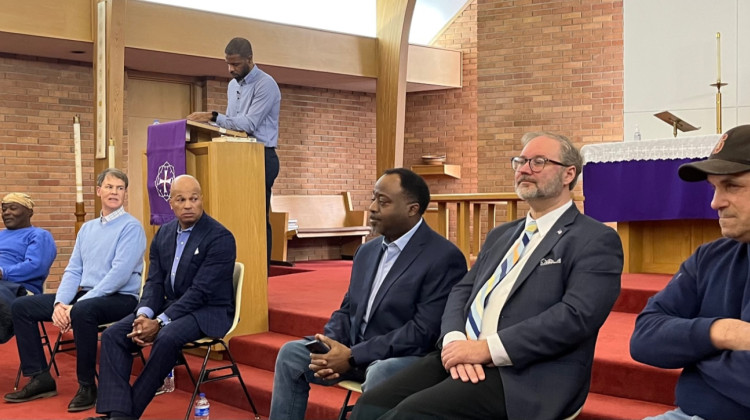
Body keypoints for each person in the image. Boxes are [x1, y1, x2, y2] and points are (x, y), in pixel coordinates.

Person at [351, 132, 623, 420]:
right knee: (371, 406)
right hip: (463, 354)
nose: (524, 169)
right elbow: (461, 291)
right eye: (520, 161)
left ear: (569, 173)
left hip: (523, 373)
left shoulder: (594, 239)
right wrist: (455, 341)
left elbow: (575, 317)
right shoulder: (502, 234)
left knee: (409, 415)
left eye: (538, 162)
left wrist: (486, 350)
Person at [268, 168, 467, 420]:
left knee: (380, 374)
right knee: (291, 355)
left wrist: (352, 356)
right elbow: (347, 308)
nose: (372, 207)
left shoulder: (443, 257)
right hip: (354, 352)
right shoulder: (367, 252)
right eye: (373, 198)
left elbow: (422, 331)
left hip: (402, 359)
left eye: (383, 202)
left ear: (412, 209)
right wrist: (332, 347)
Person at [91, 174, 236, 420]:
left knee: (167, 336)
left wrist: (159, 322)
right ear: (171, 204)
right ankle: (117, 412)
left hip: (209, 310)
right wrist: (144, 314)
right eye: (181, 199)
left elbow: (200, 292)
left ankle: (125, 416)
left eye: (194, 198)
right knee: (115, 335)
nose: (188, 204)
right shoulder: (164, 234)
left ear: (202, 200)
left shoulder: (220, 237)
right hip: (174, 307)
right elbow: (155, 282)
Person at [630, 125, 750, 420]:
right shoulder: (710, 257)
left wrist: (694, 356)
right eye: (714, 188)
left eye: (732, 186)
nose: (715, 203)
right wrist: (722, 332)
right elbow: (644, 338)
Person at [4, 168, 146, 413]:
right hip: (88, 296)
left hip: (121, 298)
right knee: (22, 306)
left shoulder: (131, 228)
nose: (114, 192)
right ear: (99, 191)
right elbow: (73, 270)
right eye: (110, 187)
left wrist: (75, 306)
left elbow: (119, 275)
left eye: (120, 188)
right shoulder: (88, 229)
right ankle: (39, 377)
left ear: (125, 194)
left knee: (83, 312)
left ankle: (87, 385)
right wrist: (60, 303)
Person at [187, 36, 281, 269]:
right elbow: (231, 125)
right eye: (228, 63)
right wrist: (214, 126)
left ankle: (261, 273)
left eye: (236, 64)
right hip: (236, 157)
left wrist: (213, 116)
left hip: (261, 156)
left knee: (257, 217)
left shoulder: (266, 84)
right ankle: (237, 266)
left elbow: (248, 124)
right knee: (236, 214)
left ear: (250, 59)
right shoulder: (232, 86)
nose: (231, 69)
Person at [0, 193, 57, 343]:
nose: (6, 213)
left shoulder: (39, 235)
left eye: (13, 208)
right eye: (4, 209)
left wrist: (3, 272)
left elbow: (36, 266)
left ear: (29, 212)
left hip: (21, 289)